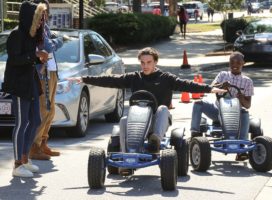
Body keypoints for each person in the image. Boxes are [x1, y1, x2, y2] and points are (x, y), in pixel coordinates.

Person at [68, 47, 226, 153]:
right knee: (123, 119)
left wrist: (210, 89)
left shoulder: (166, 78)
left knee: (163, 108)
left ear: (155, 62)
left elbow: (187, 85)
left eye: (149, 62)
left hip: (159, 120)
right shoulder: (134, 78)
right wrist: (84, 79)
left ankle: (155, 140)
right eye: (142, 62)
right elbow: (110, 80)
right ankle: (125, 156)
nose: (145, 65)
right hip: (137, 119)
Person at [1, 1, 48, 177]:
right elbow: (14, 60)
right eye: (39, 18)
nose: (41, 22)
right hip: (20, 85)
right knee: (21, 123)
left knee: (36, 120)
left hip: (31, 82)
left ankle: (25, 158)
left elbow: (27, 59)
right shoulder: (16, 35)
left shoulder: (31, 35)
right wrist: (35, 55)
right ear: (30, 18)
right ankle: (17, 165)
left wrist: (39, 58)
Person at [190, 52, 254, 161]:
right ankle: (194, 135)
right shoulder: (223, 74)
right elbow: (211, 88)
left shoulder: (247, 81)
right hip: (217, 110)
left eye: (238, 62)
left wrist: (241, 98)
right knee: (198, 103)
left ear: (243, 63)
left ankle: (242, 149)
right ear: (229, 63)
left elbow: (247, 105)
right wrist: (221, 85)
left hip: (236, 114)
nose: (235, 64)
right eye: (232, 62)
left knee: (245, 112)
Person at [29, 0, 64, 160]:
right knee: (43, 110)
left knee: (51, 111)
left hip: (51, 71)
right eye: (43, 11)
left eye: (46, 11)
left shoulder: (46, 27)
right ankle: (34, 147)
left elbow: (49, 45)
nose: (46, 14)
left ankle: (43, 143)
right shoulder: (35, 27)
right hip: (42, 73)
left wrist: (54, 40)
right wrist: (59, 40)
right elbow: (49, 46)